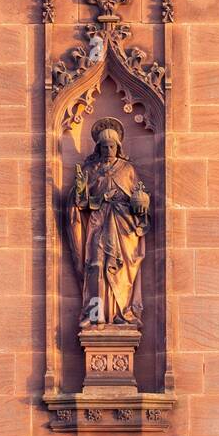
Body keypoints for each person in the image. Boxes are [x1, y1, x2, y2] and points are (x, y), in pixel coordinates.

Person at [66, 118, 150, 329]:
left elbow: (139, 197)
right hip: (98, 223)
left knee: (121, 269)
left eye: (112, 146)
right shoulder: (90, 170)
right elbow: (80, 202)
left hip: (123, 225)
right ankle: (96, 314)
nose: (109, 150)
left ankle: (122, 312)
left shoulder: (127, 169)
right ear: (99, 147)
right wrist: (80, 190)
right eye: (104, 146)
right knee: (96, 266)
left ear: (118, 146)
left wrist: (141, 203)